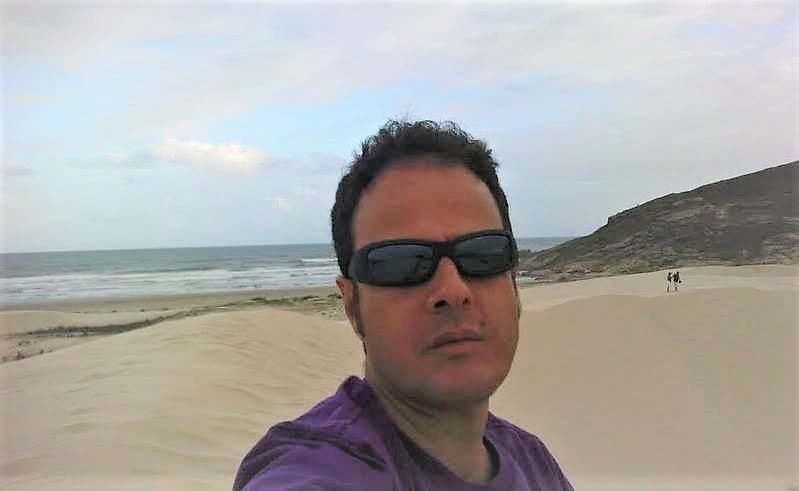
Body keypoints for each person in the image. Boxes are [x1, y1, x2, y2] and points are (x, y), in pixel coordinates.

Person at [233, 120, 573, 490]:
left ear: (514, 285)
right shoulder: (317, 469)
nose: (453, 290)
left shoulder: (533, 461)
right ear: (353, 306)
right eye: (400, 262)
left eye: (483, 254)